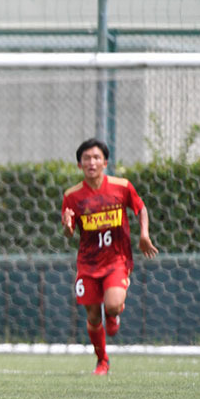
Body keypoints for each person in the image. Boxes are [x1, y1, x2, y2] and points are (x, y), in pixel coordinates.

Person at [62, 138, 157, 375]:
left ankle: (113, 314)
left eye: (96, 157)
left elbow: (141, 208)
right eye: (86, 158)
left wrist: (144, 234)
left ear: (105, 162)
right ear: (79, 165)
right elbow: (69, 233)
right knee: (93, 315)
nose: (91, 162)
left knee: (112, 305)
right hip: (88, 263)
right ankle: (102, 361)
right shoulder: (72, 196)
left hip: (117, 259)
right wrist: (67, 226)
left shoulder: (121, 186)